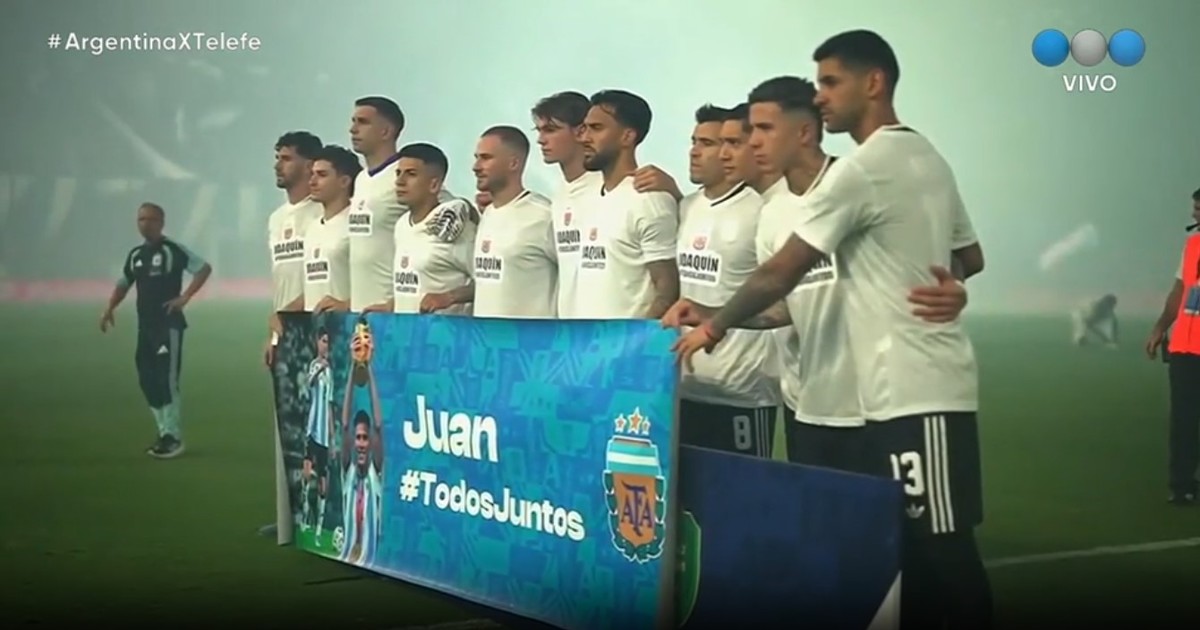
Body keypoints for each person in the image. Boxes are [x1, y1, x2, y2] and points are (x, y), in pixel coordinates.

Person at [670, 30, 990, 629]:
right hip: (866, 397)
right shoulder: (921, 156)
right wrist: (952, 282)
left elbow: (780, 273)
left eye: (831, 83)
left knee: (940, 551)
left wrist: (713, 326)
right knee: (890, 553)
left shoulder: (863, 170)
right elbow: (966, 257)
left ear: (875, 82)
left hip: (919, 386)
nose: (822, 96)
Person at [669, 103, 778, 456]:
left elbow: (779, 294)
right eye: (693, 141)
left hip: (742, 391)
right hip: (686, 386)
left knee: (746, 488)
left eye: (708, 143)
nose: (694, 151)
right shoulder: (685, 207)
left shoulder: (762, 209)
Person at [100, 202, 212, 459]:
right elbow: (124, 282)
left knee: (167, 380)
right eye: (141, 219)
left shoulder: (172, 250)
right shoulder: (136, 255)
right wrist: (109, 308)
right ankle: (164, 432)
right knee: (147, 379)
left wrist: (185, 297)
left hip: (168, 325)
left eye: (150, 219)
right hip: (146, 327)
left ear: (161, 222)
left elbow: (203, 268)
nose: (145, 224)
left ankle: (173, 436)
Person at [261, 129, 323, 539]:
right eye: (277, 157)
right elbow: (281, 281)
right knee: (287, 428)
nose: (277, 165)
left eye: (286, 158)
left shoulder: (321, 213)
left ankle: (316, 514)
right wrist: (273, 334)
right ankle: (290, 518)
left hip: (314, 328)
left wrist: (292, 312)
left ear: (308, 164)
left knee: (316, 429)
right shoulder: (276, 218)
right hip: (285, 330)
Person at [570, 89, 680, 319]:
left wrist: (633, 338)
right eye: (585, 128)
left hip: (625, 340)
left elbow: (668, 292)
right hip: (583, 340)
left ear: (627, 137)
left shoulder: (649, 199)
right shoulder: (588, 198)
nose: (584, 138)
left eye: (596, 128)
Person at [362, 143, 475, 315]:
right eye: (398, 173)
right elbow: (412, 284)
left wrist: (449, 297)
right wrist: (391, 305)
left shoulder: (454, 227)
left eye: (411, 174)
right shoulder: (401, 225)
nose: (400, 181)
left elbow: (487, 284)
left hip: (445, 331)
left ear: (434, 185)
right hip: (405, 330)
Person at [461, 125, 556, 318]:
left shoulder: (543, 215)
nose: (476, 167)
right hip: (486, 335)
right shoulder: (488, 214)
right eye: (477, 157)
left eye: (486, 158)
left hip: (533, 336)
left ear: (513, 163)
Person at [1145, 189, 1200, 505]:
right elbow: (1180, 291)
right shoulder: (1193, 246)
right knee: (1183, 421)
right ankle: (1182, 485)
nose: (1194, 214)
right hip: (1186, 347)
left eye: (1199, 209)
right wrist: (1160, 327)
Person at [533, 91, 604, 319]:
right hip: (570, 330)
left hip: (612, 331)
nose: (541, 139)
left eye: (551, 130)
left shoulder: (608, 187)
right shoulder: (560, 193)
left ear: (581, 131)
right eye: (539, 130)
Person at [345, 96, 406, 313]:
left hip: (392, 312)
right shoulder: (361, 179)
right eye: (353, 121)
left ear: (385, 131)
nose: (353, 129)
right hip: (362, 311)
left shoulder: (405, 173)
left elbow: (448, 209)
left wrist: (396, 302)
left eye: (363, 122)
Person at [304, 145, 360, 313]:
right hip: (314, 325)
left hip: (348, 324)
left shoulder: (357, 224)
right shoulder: (312, 228)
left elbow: (379, 280)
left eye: (322, 175)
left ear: (344, 181)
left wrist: (348, 304)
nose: (312, 182)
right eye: (312, 174)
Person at [300, 326, 335, 540]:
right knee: (307, 473)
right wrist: (321, 368)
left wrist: (333, 437)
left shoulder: (330, 373)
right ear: (317, 342)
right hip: (312, 429)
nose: (325, 345)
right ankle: (305, 519)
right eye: (323, 341)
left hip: (324, 435)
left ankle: (320, 528)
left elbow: (329, 405)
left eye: (327, 342)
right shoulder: (315, 365)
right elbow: (310, 383)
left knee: (323, 482)